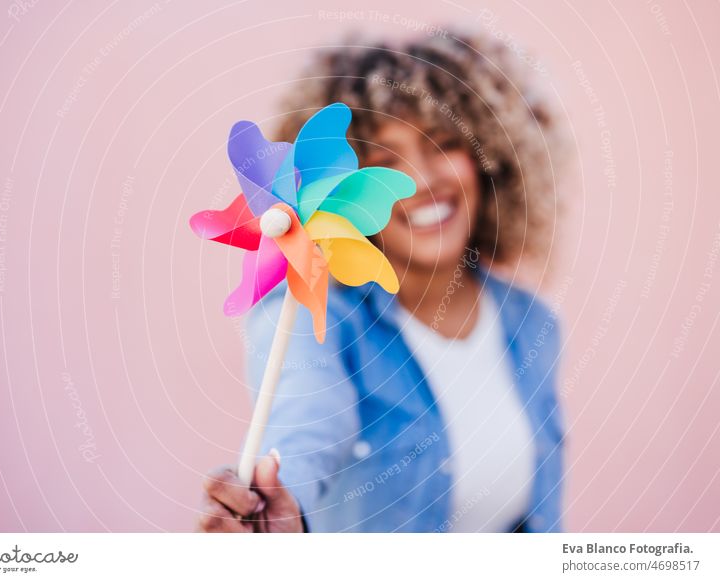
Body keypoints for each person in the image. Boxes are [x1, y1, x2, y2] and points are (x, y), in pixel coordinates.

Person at [198, 28, 569, 533]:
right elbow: (306, 419)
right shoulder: (315, 315)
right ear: (338, 196)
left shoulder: (531, 322)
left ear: (491, 159)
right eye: (384, 162)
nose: (419, 180)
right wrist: (282, 499)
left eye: (442, 145)